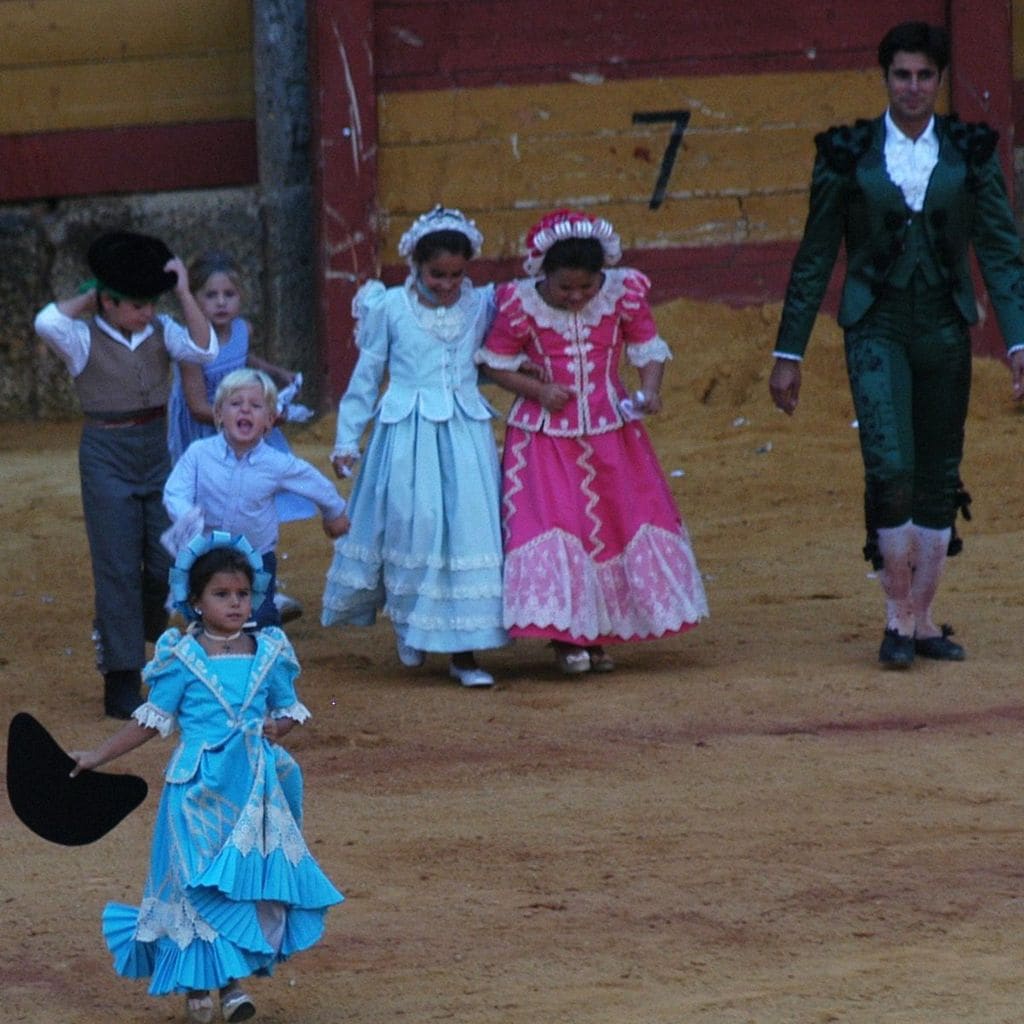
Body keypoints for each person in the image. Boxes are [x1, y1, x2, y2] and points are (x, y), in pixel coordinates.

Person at [769, 21, 1024, 668]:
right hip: (875, 328)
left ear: (939, 82)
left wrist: (1019, 340)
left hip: (944, 327)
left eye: (924, 76)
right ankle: (896, 617)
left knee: (938, 474)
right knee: (891, 468)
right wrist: (789, 351)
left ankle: (924, 617)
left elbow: (999, 249)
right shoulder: (848, 154)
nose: (913, 86)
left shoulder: (968, 152)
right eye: (902, 75)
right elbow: (816, 254)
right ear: (885, 79)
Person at [69, 531, 343, 1024]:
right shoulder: (180, 657)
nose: (235, 603)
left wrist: (274, 729)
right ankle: (198, 985)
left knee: (236, 888)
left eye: (241, 594)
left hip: (250, 793)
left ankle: (232, 986)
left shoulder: (268, 650)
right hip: (195, 793)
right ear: (195, 601)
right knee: (196, 887)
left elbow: (290, 711)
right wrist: (97, 756)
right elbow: (150, 721)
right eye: (222, 594)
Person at [476, 209, 708, 674]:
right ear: (544, 275)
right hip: (542, 440)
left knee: (614, 524)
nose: (578, 296)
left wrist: (650, 391)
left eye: (586, 287)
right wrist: (538, 391)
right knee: (557, 527)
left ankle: (596, 635)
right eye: (565, 288)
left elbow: (647, 347)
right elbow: (494, 363)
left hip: (612, 431)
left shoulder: (622, 293)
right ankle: (565, 638)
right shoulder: (519, 303)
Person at [34, 230, 218, 719]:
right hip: (106, 454)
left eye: (151, 303)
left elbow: (205, 352)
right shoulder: (80, 337)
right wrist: (92, 293)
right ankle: (121, 677)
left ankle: (142, 626)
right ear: (108, 303)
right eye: (137, 304)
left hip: (156, 449)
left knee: (164, 558)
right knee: (115, 567)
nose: (148, 313)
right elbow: (46, 320)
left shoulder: (165, 331)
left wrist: (181, 291)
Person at [321, 205, 507, 687]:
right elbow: (366, 378)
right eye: (436, 274)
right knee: (415, 527)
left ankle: (464, 654)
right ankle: (412, 624)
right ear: (415, 266)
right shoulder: (389, 307)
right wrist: (347, 439)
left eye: (456, 274)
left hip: (466, 435)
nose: (447, 284)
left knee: (469, 532)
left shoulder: (481, 305)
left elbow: (501, 356)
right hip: (407, 435)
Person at [167, 251, 315, 621]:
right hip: (207, 436)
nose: (220, 303)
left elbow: (245, 361)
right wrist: (252, 419)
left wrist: (277, 374)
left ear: (240, 297)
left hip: (242, 429)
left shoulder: (243, 330)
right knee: (212, 518)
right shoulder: (188, 346)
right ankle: (197, 593)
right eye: (210, 296)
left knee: (254, 508)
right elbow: (199, 406)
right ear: (193, 300)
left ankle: (257, 588)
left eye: (228, 294)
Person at [164, 368, 350, 629]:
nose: (245, 411)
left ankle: (261, 659)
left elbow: (314, 483)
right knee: (207, 621)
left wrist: (335, 512)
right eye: (235, 404)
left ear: (270, 420)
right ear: (218, 414)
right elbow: (175, 490)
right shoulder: (199, 454)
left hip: (256, 558)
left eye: (256, 405)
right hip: (206, 555)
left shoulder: (277, 463)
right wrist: (186, 516)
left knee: (260, 620)